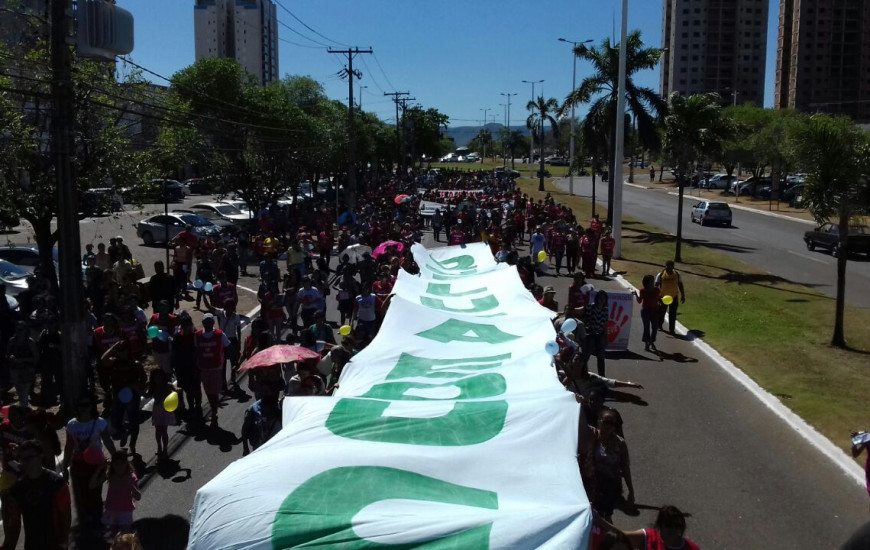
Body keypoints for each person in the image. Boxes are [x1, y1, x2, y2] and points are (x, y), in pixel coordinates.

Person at [2, 439, 71, 550]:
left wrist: (64, 540)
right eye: (22, 458)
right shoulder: (18, 488)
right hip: (32, 545)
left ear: (40, 456)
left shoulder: (57, 483)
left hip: (55, 544)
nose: (25, 462)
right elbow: (13, 526)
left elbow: (65, 514)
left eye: (29, 458)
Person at [61, 396, 115, 527]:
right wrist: (65, 466)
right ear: (77, 408)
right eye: (81, 405)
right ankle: (88, 517)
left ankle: (96, 517)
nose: (84, 408)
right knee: (82, 491)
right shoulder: (72, 425)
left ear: (92, 407)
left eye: (87, 405)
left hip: (97, 463)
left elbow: (107, 441)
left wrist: (116, 458)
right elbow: (69, 446)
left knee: (95, 491)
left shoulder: (100, 423)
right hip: (79, 463)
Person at [103, 340, 147, 454]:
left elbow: (144, 379)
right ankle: (123, 433)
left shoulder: (135, 364)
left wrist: (136, 386)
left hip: (132, 396)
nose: (122, 353)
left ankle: (133, 443)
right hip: (118, 396)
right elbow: (103, 360)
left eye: (124, 350)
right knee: (115, 420)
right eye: (120, 350)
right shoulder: (114, 363)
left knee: (134, 420)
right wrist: (114, 346)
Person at [591, 409, 634, 523]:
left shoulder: (620, 444)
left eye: (612, 423)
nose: (608, 426)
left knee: (605, 517)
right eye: (606, 422)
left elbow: (625, 468)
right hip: (593, 485)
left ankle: (609, 538)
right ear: (599, 422)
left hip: (611, 487)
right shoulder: (592, 437)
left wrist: (631, 491)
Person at [92, 449, 140, 537]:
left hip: (125, 511)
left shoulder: (131, 477)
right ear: (113, 465)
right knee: (115, 536)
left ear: (126, 463)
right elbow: (92, 485)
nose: (119, 467)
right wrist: (99, 468)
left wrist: (131, 485)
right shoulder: (110, 475)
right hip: (111, 510)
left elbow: (138, 497)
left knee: (124, 537)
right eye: (116, 464)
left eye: (122, 463)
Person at [195, 313, 231, 426]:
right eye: (206, 322)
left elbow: (228, 347)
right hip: (203, 368)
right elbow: (196, 351)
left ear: (213, 323)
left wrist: (235, 361)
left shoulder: (220, 334)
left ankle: (214, 412)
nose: (208, 324)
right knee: (208, 391)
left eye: (210, 321)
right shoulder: (198, 335)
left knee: (214, 392)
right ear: (203, 323)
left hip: (216, 367)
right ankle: (213, 407)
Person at [624, 505, 699, 550]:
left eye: (677, 526)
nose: (673, 529)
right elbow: (619, 536)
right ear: (660, 525)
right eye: (669, 525)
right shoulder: (648, 537)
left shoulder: (691, 548)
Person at [241, 383, 282, 455]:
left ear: (273, 392)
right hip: (260, 449)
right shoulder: (253, 410)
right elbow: (245, 430)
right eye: (261, 391)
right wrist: (245, 447)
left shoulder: (281, 407)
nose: (263, 394)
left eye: (266, 391)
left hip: (278, 447)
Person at [149, 369, 176, 460]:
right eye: (155, 377)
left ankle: (164, 448)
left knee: (164, 431)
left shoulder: (168, 385)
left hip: (166, 409)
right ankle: (159, 446)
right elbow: (147, 395)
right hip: (157, 409)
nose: (157, 379)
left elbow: (175, 392)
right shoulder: (152, 386)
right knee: (158, 429)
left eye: (159, 376)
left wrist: (177, 391)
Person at [581, 290, 610, 377]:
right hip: (590, 335)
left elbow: (605, 325)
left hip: (600, 335)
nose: (601, 300)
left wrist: (606, 338)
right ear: (596, 298)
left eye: (603, 298)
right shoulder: (590, 307)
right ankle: (583, 374)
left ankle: (602, 377)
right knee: (586, 356)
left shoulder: (605, 311)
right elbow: (585, 319)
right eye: (599, 298)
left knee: (601, 357)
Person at [655, 260, 686, 334]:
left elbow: (680, 284)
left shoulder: (677, 274)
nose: (669, 267)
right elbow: (656, 285)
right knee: (661, 313)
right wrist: (657, 297)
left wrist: (683, 295)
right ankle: (659, 325)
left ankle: (671, 329)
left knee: (673, 314)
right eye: (667, 266)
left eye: (671, 266)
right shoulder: (661, 274)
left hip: (674, 297)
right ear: (665, 266)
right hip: (663, 297)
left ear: (673, 267)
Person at [633, 275, 662, 352]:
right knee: (646, 328)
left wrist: (661, 301)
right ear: (647, 282)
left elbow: (659, 299)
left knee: (655, 328)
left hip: (655, 311)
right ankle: (647, 343)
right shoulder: (642, 291)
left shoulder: (657, 290)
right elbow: (639, 301)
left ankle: (651, 341)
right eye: (651, 280)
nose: (653, 282)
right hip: (645, 311)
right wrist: (636, 295)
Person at [852, 430, 870, 511]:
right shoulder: (867, 437)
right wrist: (855, 441)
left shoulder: (867, 437)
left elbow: (855, 454)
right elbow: (855, 454)